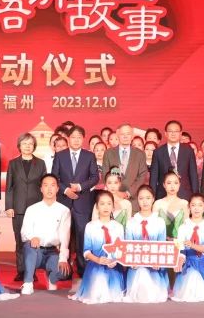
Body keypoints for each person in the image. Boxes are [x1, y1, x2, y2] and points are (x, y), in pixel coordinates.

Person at [54, 126, 99, 275]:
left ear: (83, 139)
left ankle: (82, 268)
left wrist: (80, 187)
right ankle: (63, 270)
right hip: (64, 201)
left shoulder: (89, 156)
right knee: (63, 237)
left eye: (79, 137)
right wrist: (66, 190)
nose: (76, 140)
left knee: (81, 236)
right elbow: (55, 178)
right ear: (68, 138)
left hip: (83, 202)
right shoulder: (60, 155)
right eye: (73, 137)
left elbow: (95, 177)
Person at [19, 174, 72, 294]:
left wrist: (63, 258)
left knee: (63, 272)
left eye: (52, 185)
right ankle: (28, 283)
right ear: (41, 188)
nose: (49, 188)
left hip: (52, 252)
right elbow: (24, 232)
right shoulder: (32, 209)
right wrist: (32, 237)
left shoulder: (64, 210)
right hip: (36, 251)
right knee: (29, 245)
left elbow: (65, 236)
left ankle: (51, 279)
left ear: (57, 189)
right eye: (46, 185)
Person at [71, 190, 126, 304]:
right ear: (96, 207)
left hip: (114, 266)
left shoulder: (118, 227)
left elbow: (122, 250)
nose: (106, 207)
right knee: (97, 292)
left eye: (109, 203)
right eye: (102, 204)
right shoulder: (90, 226)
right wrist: (98, 260)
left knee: (114, 295)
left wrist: (115, 260)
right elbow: (86, 252)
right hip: (96, 265)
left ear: (113, 207)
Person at [5, 133, 44, 280]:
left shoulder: (40, 163)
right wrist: (9, 206)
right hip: (18, 208)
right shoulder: (13, 164)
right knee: (20, 241)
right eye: (24, 143)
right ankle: (21, 271)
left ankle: (31, 272)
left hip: (36, 208)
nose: (27, 146)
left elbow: (44, 186)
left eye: (30, 143)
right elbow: (9, 187)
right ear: (19, 146)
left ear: (34, 146)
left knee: (34, 240)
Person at [122, 186, 171, 304]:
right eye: (141, 198)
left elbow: (162, 245)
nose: (145, 202)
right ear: (137, 200)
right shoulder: (131, 222)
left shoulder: (159, 221)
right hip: (136, 266)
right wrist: (132, 262)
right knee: (141, 274)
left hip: (154, 267)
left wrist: (158, 263)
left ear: (153, 199)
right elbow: (129, 246)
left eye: (148, 198)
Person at [172, 195, 204, 302]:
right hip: (188, 263)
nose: (196, 208)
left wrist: (192, 245)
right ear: (189, 207)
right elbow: (180, 248)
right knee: (192, 277)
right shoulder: (183, 227)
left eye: (200, 205)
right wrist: (180, 260)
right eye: (193, 205)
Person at [150, 119, 199, 200]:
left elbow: (193, 175)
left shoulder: (188, 151)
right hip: (163, 196)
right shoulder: (158, 152)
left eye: (176, 131)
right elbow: (153, 178)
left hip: (185, 195)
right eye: (170, 131)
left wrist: (195, 195)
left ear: (180, 133)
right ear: (165, 133)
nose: (173, 134)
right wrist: (152, 196)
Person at [112, 123, 150, 209]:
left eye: (128, 134)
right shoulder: (109, 153)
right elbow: (106, 175)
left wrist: (128, 193)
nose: (125, 136)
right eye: (122, 134)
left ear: (132, 135)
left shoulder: (140, 154)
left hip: (134, 199)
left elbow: (142, 176)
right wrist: (115, 193)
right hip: (114, 200)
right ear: (117, 134)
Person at [155, 171, 189, 239]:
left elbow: (187, 227)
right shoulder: (157, 204)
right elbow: (154, 227)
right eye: (169, 183)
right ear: (164, 185)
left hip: (180, 242)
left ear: (179, 185)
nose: (172, 186)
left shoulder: (185, 204)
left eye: (176, 183)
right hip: (161, 242)